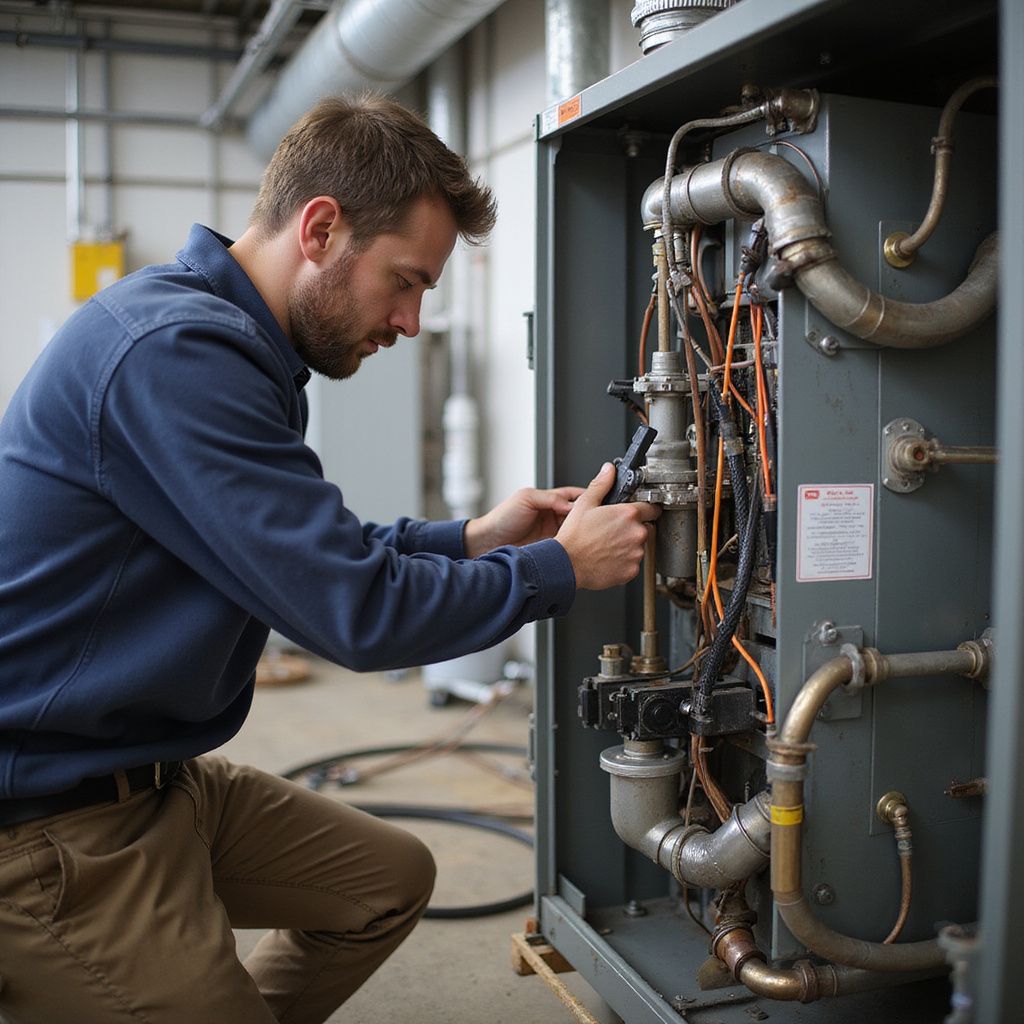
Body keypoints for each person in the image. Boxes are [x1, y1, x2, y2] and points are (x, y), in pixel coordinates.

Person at [0, 94, 658, 1023]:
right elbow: (354, 610)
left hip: (156, 779)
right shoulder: (176, 356)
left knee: (387, 880)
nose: (411, 320)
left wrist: (477, 538)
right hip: (47, 823)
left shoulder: (236, 346)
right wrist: (561, 571)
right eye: (405, 280)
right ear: (320, 228)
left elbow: (319, 550)